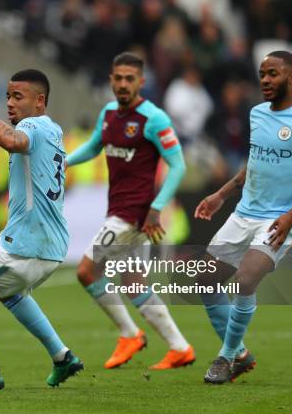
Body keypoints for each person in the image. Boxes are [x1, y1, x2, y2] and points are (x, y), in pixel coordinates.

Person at [195, 51, 292, 384]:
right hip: (243, 214)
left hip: (278, 220)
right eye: (262, 74)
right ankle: (240, 353)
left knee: (243, 282)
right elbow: (253, 164)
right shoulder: (256, 114)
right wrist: (221, 195)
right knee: (205, 280)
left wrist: (291, 215)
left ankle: (225, 358)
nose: (265, 80)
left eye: (273, 74)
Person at [0, 69, 83, 389]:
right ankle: (62, 357)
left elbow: (13, 141)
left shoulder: (31, 125)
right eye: (8, 96)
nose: (10, 103)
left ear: (40, 102)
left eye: (17, 97)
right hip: (51, 245)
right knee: (4, 290)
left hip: (25, 244)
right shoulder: (53, 129)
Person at [66, 52, 195, 370]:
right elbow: (95, 145)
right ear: (111, 79)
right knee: (134, 283)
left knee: (85, 271)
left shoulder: (154, 118)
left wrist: (156, 208)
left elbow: (178, 166)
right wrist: (64, 162)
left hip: (132, 214)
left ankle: (129, 333)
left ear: (141, 82)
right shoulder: (108, 112)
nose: (123, 84)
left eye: (129, 79)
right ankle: (179, 347)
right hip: (120, 209)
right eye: (118, 78)